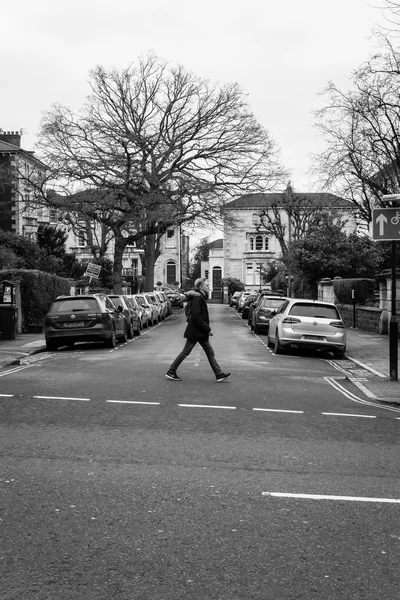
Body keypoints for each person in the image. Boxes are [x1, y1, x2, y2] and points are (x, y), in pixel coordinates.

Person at [166, 278, 231, 382]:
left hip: (199, 332)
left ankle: (219, 374)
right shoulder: (197, 298)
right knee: (186, 352)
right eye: (206, 284)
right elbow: (196, 316)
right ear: (201, 287)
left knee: (210, 352)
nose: (208, 286)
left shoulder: (199, 297)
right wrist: (208, 329)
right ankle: (171, 371)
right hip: (196, 331)